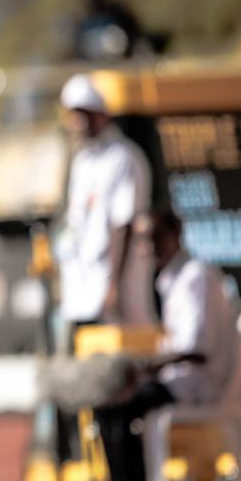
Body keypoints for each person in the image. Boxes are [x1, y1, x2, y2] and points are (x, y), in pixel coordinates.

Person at [92, 209, 239, 481]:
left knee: (117, 403)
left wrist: (149, 367)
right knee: (111, 400)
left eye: (155, 237)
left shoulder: (194, 278)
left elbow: (195, 349)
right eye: (144, 240)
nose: (148, 247)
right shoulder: (176, 279)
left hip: (198, 384)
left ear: (175, 235)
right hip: (185, 379)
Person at [55, 73, 154, 331]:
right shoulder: (83, 161)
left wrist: (114, 285)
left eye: (82, 115)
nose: (76, 123)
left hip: (119, 280)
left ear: (100, 115)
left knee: (132, 348)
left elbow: (125, 224)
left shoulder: (123, 157)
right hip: (85, 285)